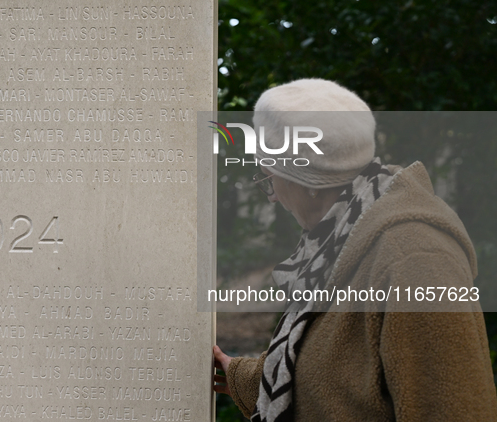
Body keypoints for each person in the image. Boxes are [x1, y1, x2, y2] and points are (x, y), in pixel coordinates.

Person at [213, 79, 497, 421]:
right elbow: (340, 374)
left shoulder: (415, 257)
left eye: (269, 180)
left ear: (309, 184)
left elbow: (454, 408)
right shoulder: (340, 237)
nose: (272, 197)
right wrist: (243, 376)